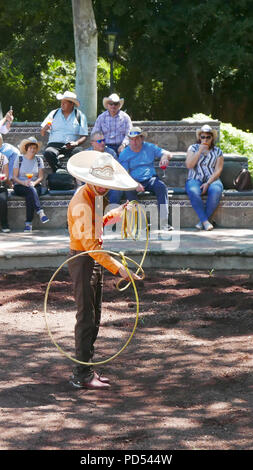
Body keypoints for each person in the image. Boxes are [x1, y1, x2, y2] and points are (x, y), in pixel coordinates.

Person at [67, 150, 142, 389]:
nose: (103, 188)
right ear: (90, 180)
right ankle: (81, 374)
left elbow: (97, 224)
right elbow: (89, 245)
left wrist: (116, 214)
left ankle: (87, 370)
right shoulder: (82, 202)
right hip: (83, 259)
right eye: (99, 184)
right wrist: (120, 269)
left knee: (94, 315)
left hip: (93, 258)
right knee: (86, 317)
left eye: (106, 185)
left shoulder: (96, 196)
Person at [109, 126, 173, 233]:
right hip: (132, 180)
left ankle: (164, 222)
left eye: (137, 138)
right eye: (132, 139)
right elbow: (124, 174)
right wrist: (135, 183)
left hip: (150, 179)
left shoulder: (149, 147)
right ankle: (142, 222)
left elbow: (167, 153)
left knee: (162, 187)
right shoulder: (125, 153)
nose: (134, 142)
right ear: (129, 140)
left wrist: (164, 157)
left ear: (142, 138)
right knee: (129, 192)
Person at [185, 124, 224, 231]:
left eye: (208, 137)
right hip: (194, 178)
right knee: (193, 191)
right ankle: (205, 221)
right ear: (199, 137)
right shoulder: (193, 148)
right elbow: (189, 165)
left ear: (212, 138)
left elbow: (218, 170)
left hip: (212, 179)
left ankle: (202, 222)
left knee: (216, 190)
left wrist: (208, 183)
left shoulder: (218, 151)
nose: (205, 139)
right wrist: (199, 152)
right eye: (203, 137)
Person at [41, 91, 88, 172]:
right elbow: (42, 133)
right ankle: (60, 171)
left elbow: (84, 136)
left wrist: (76, 143)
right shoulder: (54, 113)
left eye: (65, 103)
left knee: (79, 152)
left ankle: (74, 174)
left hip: (71, 146)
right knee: (48, 152)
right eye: (61, 102)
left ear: (72, 104)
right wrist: (45, 128)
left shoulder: (80, 115)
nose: (62, 104)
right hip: (54, 144)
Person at [13, 137, 49, 233]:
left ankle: (28, 223)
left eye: (34, 148)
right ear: (26, 148)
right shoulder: (19, 158)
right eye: (30, 148)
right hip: (20, 185)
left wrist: (34, 183)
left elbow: (41, 177)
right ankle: (40, 211)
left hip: (34, 184)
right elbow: (14, 177)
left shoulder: (38, 160)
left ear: (36, 149)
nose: (32, 150)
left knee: (30, 193)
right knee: (30, 191)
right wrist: (23, 182)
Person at [0, 152, 10, 233]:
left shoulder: (3, 157)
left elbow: (6, 176)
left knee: (3, 200)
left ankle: (4, 224)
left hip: (1, 186)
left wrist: (2, 178)